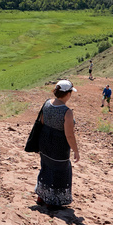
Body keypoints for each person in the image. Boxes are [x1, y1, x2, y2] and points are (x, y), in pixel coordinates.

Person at [34, 79, 80, 208]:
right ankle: (53, 202)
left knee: (46, 167)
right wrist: (75, 150)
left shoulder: (47, 103)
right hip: (59, 146)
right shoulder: (67, 112)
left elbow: (42, 122)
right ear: (67, 94)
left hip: (44, 142)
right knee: (60, 171)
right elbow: (69, 135)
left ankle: (41, 196)